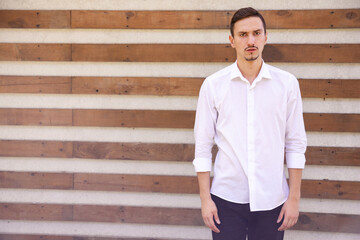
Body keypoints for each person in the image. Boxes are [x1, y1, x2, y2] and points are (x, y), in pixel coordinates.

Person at [193, 7, 307, 240]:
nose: (250, 40)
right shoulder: (213, 85)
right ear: (232, 41)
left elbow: (295, 144)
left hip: (272, 200)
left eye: (256, 33)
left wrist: (293, 198)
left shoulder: (287, 84)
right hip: (226, 200)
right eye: (243, 35)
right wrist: (206, 200)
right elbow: (203, 146)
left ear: (266, 37)